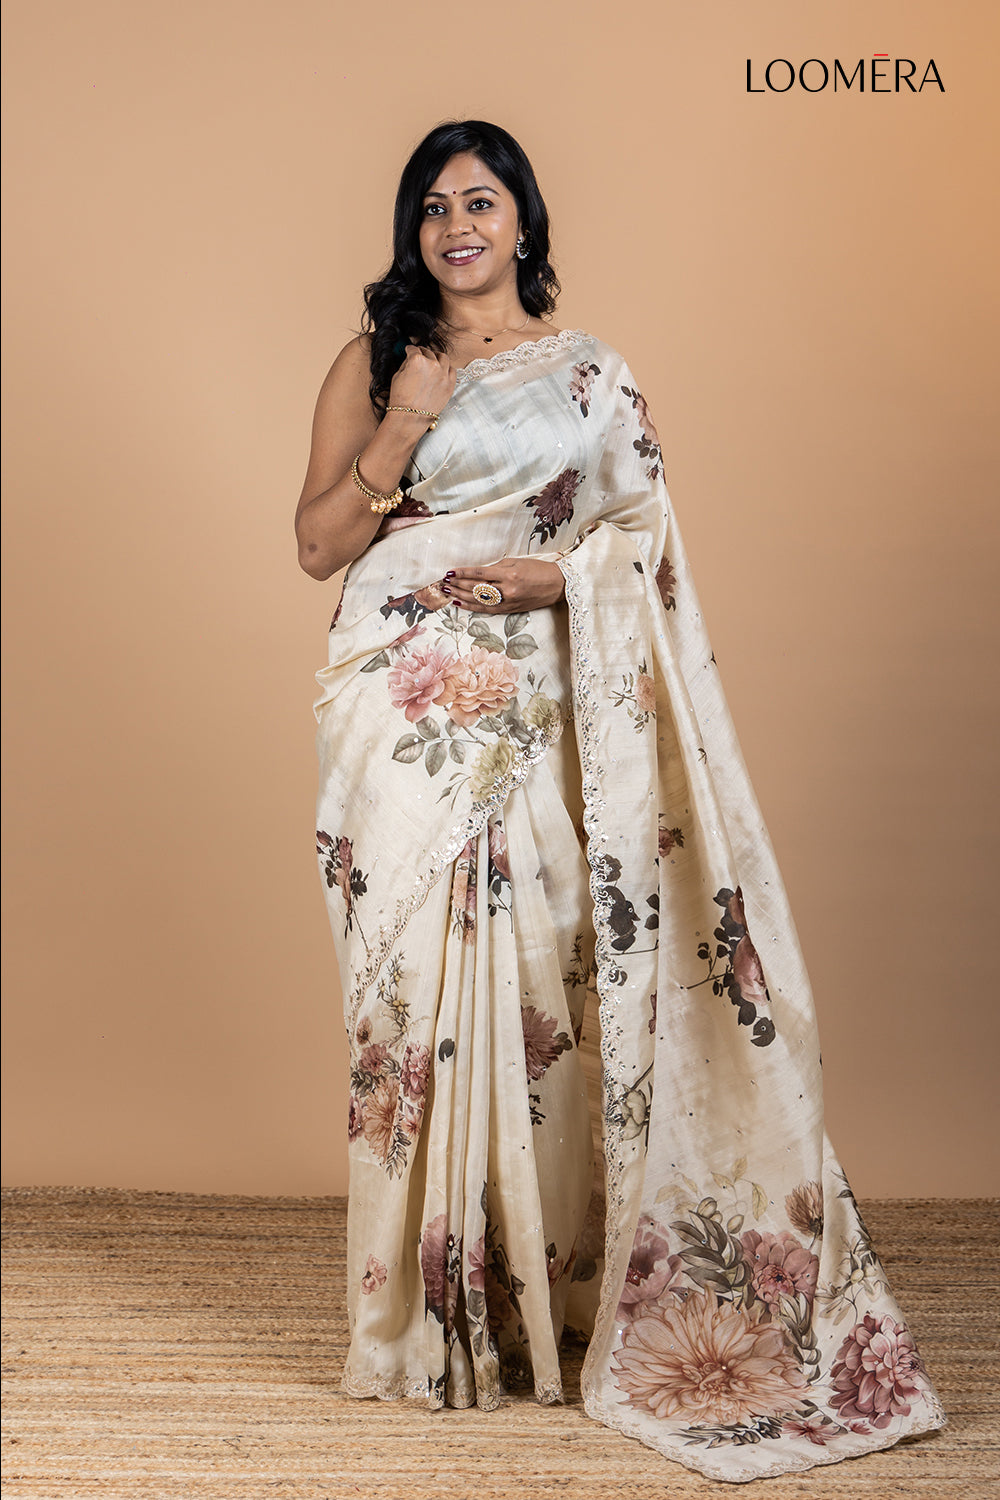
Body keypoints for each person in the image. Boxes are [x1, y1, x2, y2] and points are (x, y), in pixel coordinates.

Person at [295, 120, 945, 1483]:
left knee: (549, 980)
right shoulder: (373, 362)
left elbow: (644, 545)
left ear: (524, 221)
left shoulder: (593, 376)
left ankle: (545, 1309)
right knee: (408, 1002)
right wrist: (405, 419)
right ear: (413, 232)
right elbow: (316, 544)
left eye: (481, 201)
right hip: (397, 704)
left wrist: (557, 581)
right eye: (433, 207)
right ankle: (426, 1326)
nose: (456, 226)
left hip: (540, 696)